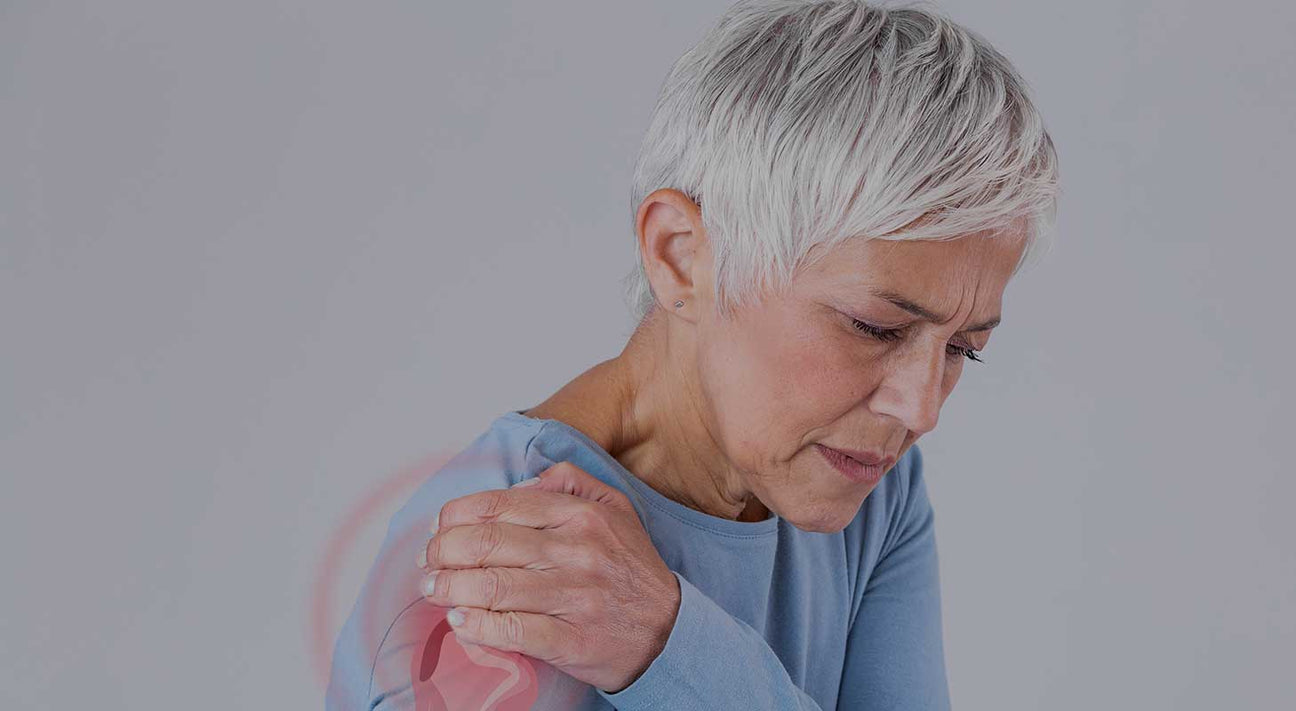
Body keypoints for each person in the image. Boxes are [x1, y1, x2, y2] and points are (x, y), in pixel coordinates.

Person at [325, 0, 1058, 708]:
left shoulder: (872, 491)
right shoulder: (496, 563)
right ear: (680, 258)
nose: (921, 409)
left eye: (963, 348)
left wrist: (669, 643)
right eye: (875, 326)